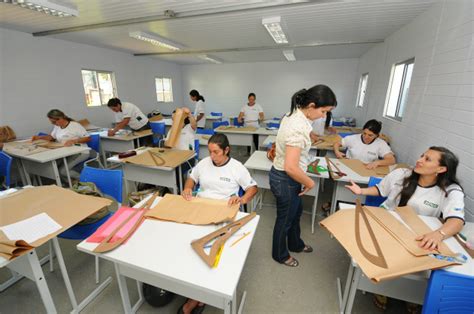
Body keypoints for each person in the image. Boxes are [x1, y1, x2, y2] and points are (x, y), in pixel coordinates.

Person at [345, 146, 465, 311]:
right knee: (380, 254)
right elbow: (381, 189)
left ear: (441, 169)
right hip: (386, 224)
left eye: (427, 159)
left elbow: (457, 221)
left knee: (421, 261)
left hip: (417, 234)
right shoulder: (402, 174)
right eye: (422, 155)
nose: (419, 160)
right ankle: (381, 286)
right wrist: (361, 190)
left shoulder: (451, 190)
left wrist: (439, 234)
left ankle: (409, 293)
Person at [180, 133, 258, 314]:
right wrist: (187, 187)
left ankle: (196, 296)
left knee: (206, 252)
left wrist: (241, 199)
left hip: (222, 211)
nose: (212, 156)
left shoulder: (237, 168)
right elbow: (192, 177)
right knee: (184, 243)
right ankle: (187, 284)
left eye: (216, 152)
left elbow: (252, 188)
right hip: (201, 206)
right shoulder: (204, 163)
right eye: (210, 152)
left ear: (226, 150)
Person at [270, 85, 337, 267]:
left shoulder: (294, 114)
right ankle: (280, 255)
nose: (324, 116)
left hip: (288, 177)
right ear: (312, 105)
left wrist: (311, 135)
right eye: (323, 111)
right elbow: (291, 167)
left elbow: (301, 130)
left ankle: (295, 244)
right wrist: (310, 183)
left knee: (295, 212)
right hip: (286, 178)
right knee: (285, 219)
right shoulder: (297, 127)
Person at [32, 109, 91, 179]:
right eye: (52, 122)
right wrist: (39, 138)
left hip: (81, 152)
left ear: (60, 118)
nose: (53, 124)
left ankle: (85, 180)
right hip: (66, 152)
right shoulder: (57, 126)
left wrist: (74, 141)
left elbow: (88, 138)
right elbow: (51, 137)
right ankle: (68, 182)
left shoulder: (75, 125)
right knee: (53, 168)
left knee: (63, 171)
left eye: (54, 122)